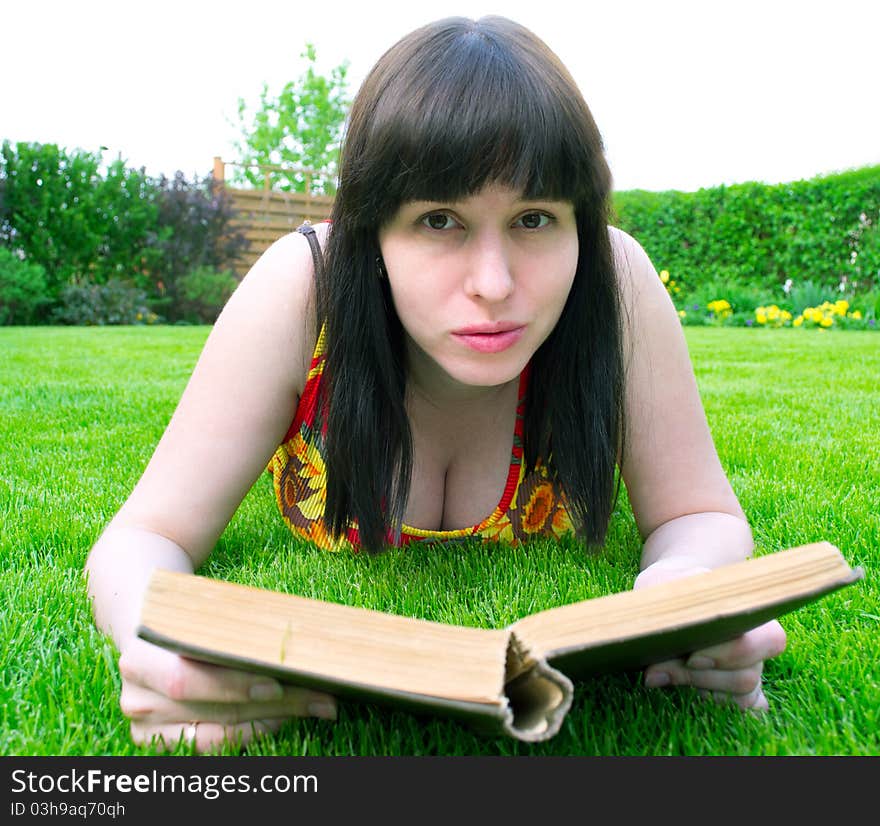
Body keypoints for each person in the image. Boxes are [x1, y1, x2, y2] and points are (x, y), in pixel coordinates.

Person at [85, 15, 787, 754]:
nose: (493, 283)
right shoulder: (305, 290)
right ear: (373, 231)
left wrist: (687, 583)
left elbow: (700, 514)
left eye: (535, 218)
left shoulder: (616, 286)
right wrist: (156, 640)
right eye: (441, 219)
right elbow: (145, 536)